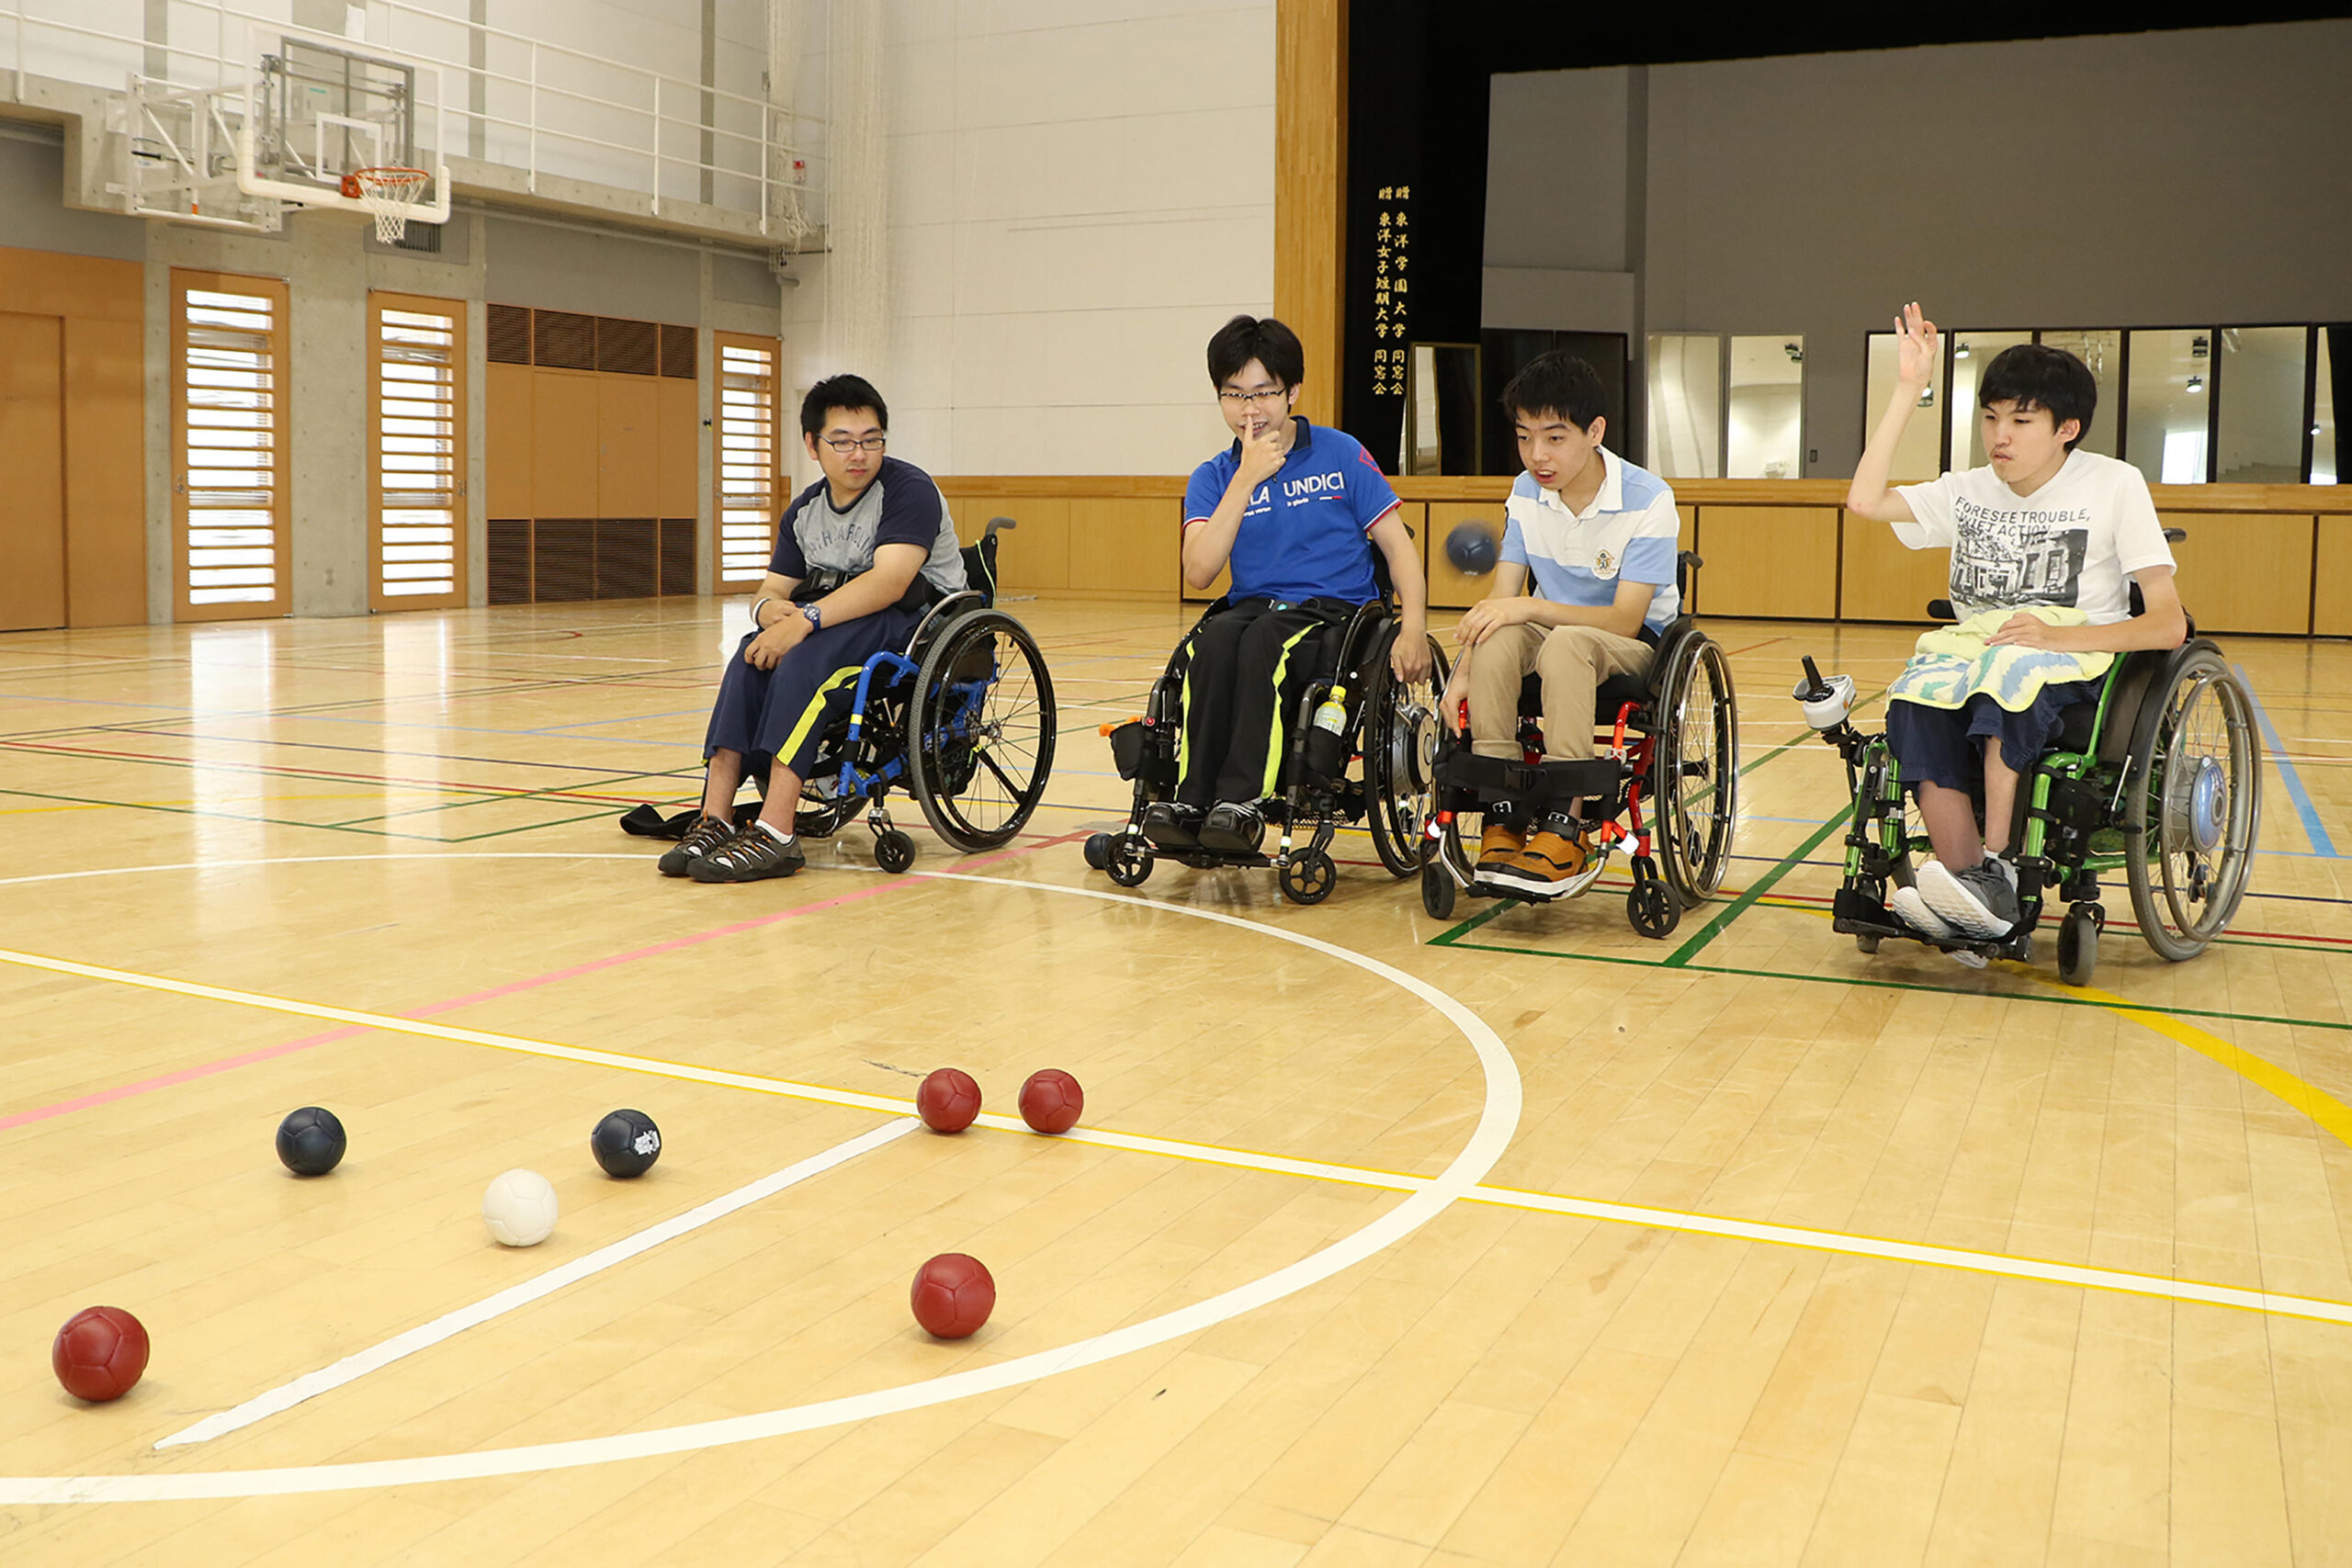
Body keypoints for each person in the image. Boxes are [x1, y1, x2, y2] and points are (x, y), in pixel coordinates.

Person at [1847, 302, 2185, 939]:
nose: (2000, 436)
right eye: (1991, 418)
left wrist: (2057, 635)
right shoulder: (1967, 489)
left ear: (2066, 429)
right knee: (1914, 699)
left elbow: (2168, 624)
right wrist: (1908, 388)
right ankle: (1966, 881)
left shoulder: (2114, 485)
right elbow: (1864, 500)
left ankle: (1997, 868)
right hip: (1978, 650)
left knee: (2010, 674)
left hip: (2072, 657)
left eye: (2021, 421)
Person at [658, 374, 967, 882]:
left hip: (914, 620)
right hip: (836, 616)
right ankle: (715, 817)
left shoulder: (909, 490)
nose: (858, 454)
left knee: (805, 663)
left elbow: (890, 583)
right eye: (842, 442)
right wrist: (766, 614)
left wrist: (805, 620)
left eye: (871, 440)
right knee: (750, 656)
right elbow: (772, 587)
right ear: (812, 444)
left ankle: (777, 832)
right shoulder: (805, 510)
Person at [1141, 314, 1431, 854]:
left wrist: (1413, 625)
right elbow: (1199, 572)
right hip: (1253, 606)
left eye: (1263, 393)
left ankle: (1242, 800)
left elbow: (1398, 546)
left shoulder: (1341, 453)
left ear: (1292, 391)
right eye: (1234, 395)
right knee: (1210, 644)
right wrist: (1246, 478)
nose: (1249, 410)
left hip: (1334, 613)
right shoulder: (1214, 476)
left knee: (1264, 643)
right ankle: (1193, 799)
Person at [1446, 350, 1683, 898]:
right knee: (1499, 638)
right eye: (1524, 437)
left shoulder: (1648, 499)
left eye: (1554, 438)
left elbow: (1624, 620)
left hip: (1631, 643)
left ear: (1594, 432)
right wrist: (1462, 674)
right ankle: (1502, 813)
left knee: (1565, 645)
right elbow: (1501, 601)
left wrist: (1530, 608)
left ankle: (1565, 821)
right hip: (1552, 633)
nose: (1537, 455)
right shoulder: (1525, 492)